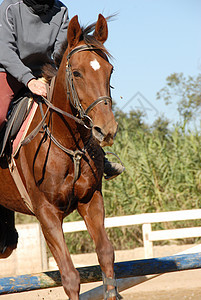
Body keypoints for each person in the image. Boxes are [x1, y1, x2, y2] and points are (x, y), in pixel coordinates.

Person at [0, 0, 124, 179]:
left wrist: (50, 77)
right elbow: (4, 50)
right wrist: (29, 80)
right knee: (1, 115)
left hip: (44, 72)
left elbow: (60, 51)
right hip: (9, 71)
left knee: (75, 106)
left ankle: (100, 158)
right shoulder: (10, 6)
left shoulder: (60, 9)